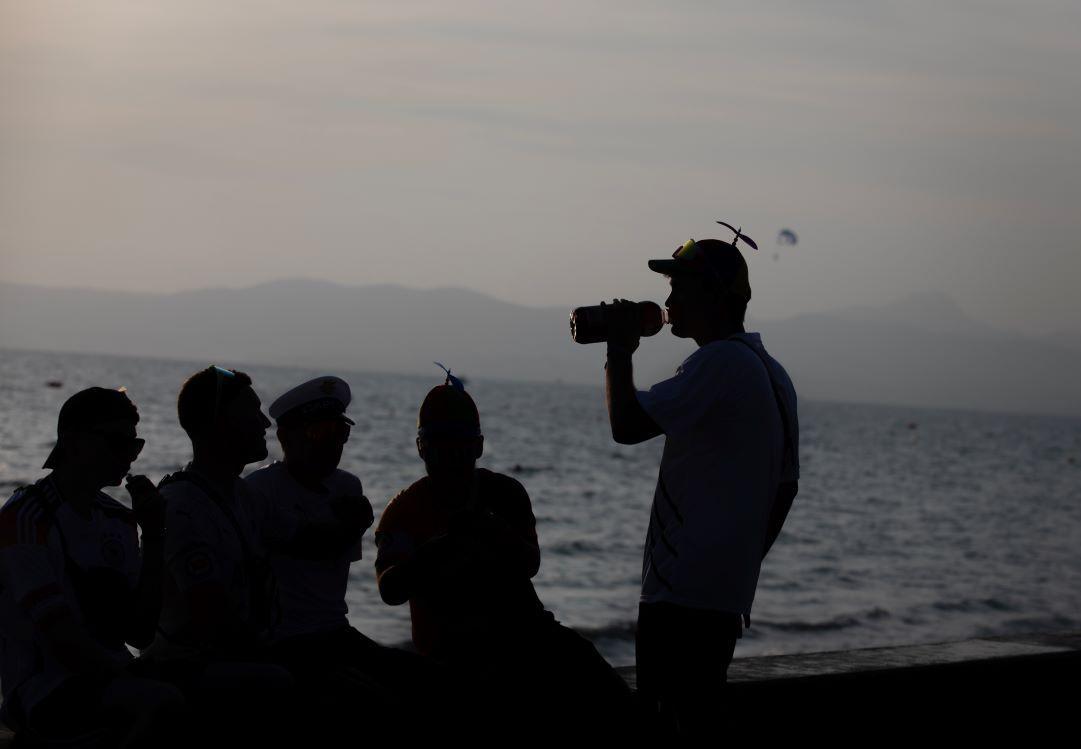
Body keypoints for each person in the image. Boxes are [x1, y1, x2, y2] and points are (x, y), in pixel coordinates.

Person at [601, 225, 800, 735]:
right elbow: (786, 487)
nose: (668, 298)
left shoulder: (719, 362)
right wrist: (737, 563)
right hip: (719, 596)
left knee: (666, 729)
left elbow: (626, 425)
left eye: (679, 286)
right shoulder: (772, 372)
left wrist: (620, 348)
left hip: (681, 597)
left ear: (712, 294)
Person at [375, 372, 633, 734]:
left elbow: (530, 563)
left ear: (478, 447)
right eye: (439, 445)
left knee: (619, 703)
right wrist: (440, 549)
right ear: (421, 448)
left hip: (530, 637)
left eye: (460, 446)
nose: (450, 457)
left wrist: (495, 533)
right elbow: (390, 589)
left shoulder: (505, 493)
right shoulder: (403, 511)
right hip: (452, 656)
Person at [150, 366, 373, 742]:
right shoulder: (182, 506)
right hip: (193, 664)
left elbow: (309, 538)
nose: (264, 424)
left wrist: (356, 522)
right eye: (251, 413)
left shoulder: (243, 496)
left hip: (248, 654)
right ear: (220, 423)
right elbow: (213, 620)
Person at [0, 387, 184, 747]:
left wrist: (155, 535)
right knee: (166, 702)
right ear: (73, 443)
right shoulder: (24, 518)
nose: (129, 456)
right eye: (117, 442)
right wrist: (135, 676)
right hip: (43, 690)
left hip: (109, 675)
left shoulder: (118, 518)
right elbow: (63, 642)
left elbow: (140, 633)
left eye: (136, 445)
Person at [245, 376, 441, 709]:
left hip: (334, 631)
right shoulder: (261, 491)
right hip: (283, 640)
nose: (332, 444)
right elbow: (306, 547)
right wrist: (344, 527)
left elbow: (332, 556)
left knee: (428, 678)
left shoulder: (347, 488)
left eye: (340, 433)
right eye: (319, 432)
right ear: (285, 437)